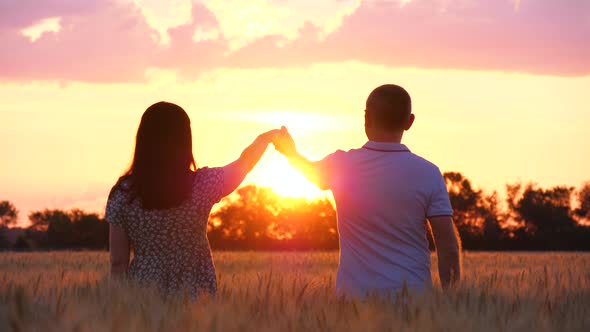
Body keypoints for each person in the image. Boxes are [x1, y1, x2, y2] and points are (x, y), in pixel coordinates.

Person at [273, 84, 461, 298]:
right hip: (413, 304)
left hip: (352, 305)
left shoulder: (341, 165)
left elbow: (310, 172)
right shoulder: (429, 173)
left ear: (366, 118)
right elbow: (448, 245)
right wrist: (452, 302)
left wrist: (290, 153)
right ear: (409, 122)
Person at [106, 101, 279, 297]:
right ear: (184, 140)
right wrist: (265, 138)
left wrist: (116, 309)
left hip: (143, 294)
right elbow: (244, 163)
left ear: (143, 139)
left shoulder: (122, 193)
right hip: (196, 292)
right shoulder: (203, 184)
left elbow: (118, 263)